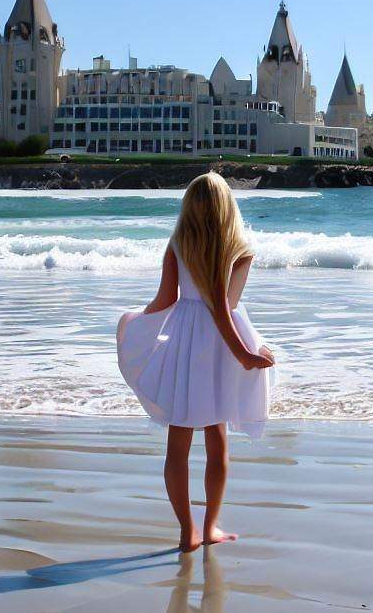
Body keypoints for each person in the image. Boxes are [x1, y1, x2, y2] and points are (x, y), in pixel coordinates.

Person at [117, 172, 275, 552]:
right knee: (217, 440)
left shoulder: (178, 243)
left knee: (178, 442)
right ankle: (210, 526)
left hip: (186, 342)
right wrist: (244, 352)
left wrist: (135, 320)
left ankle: (187, 530)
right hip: (220, 345)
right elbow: (223, 307)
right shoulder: (238, 248)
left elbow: (165, 300)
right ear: (227, 206)